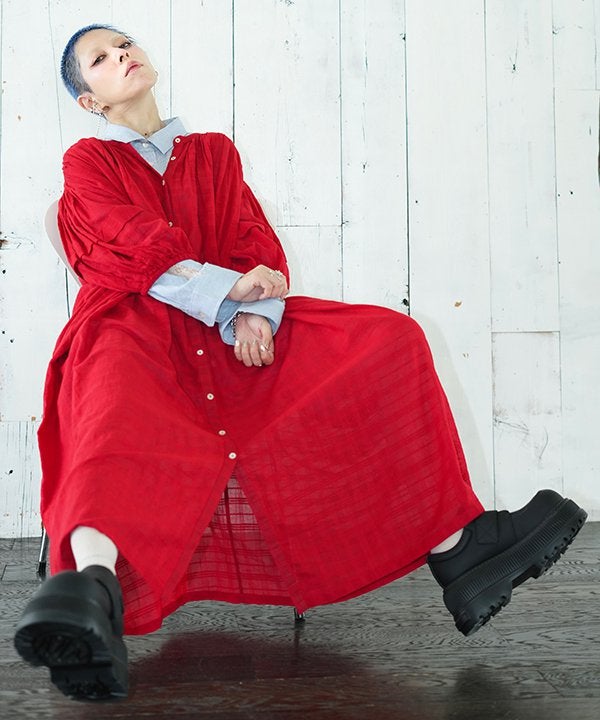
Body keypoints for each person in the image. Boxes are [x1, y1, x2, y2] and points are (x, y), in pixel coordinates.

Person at [14, 24, 587, 701]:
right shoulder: (87, 160)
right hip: (131, 325)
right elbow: (130, 245)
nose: (121, 56)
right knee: (111, 408)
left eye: (124, 45)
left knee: (389, 339)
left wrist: (258, 311)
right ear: (91, 101)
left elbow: (250, 237)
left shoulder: (214, 152)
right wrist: (231, 293)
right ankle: (90, 591)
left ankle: (461, 550)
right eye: (100, 60)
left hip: (227, 333)